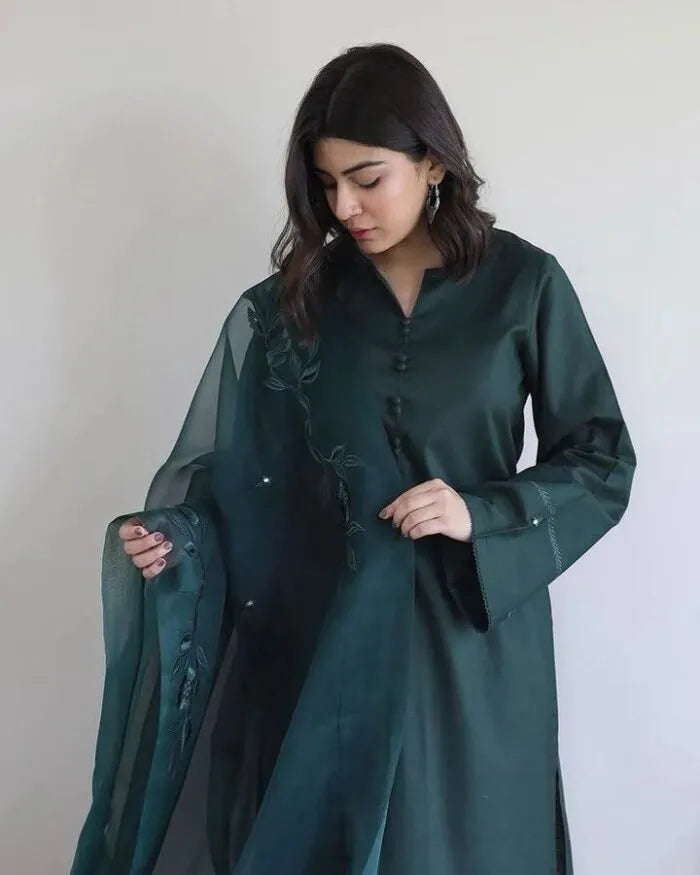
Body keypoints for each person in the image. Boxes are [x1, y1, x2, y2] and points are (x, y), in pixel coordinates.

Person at [72, 43, 636, 875]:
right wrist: (179, 539)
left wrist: (478, 510)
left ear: (433, 162)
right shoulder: (291, 307)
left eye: (368, 178)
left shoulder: (524, 286)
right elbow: (244, 481)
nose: (345, 206)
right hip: (325, 648)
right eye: (326, 184)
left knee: (470, 847)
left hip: (471, 651)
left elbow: (600, 458)